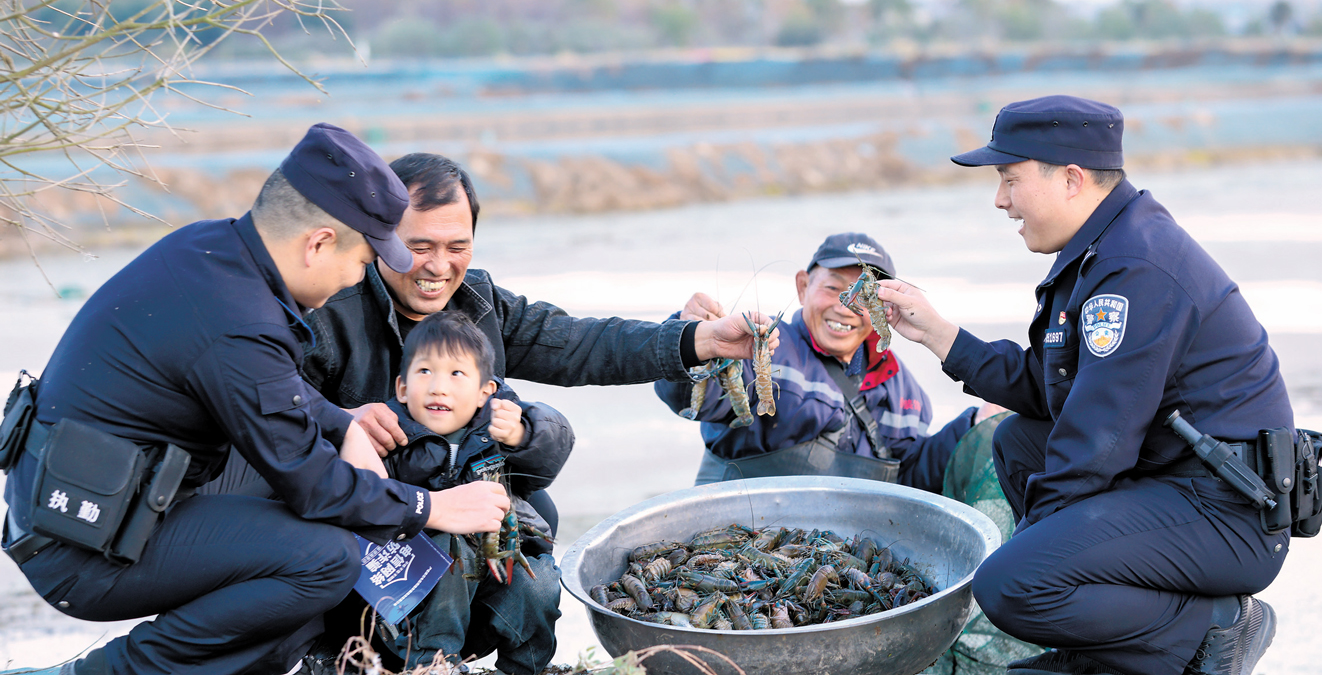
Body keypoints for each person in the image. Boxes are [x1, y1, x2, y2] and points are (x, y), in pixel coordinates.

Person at [0, 124, 511, 675]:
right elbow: (316, 488)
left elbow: (269, 391)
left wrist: (343, 424)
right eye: (362, 263)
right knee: (324, 559)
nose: (355, 278)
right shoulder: (239, 322)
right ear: (318, 243)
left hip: (83, 510)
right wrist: (431, 507)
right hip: (81, 548)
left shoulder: (209, 251)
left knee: (306, 527)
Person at [879, 96, 1292, 675]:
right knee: (1017, 441)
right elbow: (1052, 392)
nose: (1000, 199)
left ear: (1071, 179)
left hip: (1224, 514)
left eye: (1009, 178)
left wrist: (1035, 560)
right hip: (1175, 484)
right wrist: (941, 335)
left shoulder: (1136, 268)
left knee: (1009, 586)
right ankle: (1109, 651)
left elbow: (1097, 438)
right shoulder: (1103, 252)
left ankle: (1213, 626)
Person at [299, 153, 774, 517]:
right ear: (380, 237)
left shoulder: (479, 301)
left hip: (453, 489)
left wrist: (703, 340)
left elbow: (581, 344)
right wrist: (341, 420)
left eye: (457, 246)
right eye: (418, 246)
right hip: (358, 499)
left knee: (536, 509)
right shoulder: (331, 302)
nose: (439, 267)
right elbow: (257, 394)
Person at [654, 233, 994, 492]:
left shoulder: (904, 390)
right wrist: (691, 338)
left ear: (884, 307)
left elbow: (908, 475)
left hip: (840, 555)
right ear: (803, 286)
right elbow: (694, 397)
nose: (846, 307)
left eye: (866, 296)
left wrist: (975, 424)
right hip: (740, 542)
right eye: (833, 288)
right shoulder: (760, 342)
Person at [374, 312, 570, 675]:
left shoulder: (496, 432)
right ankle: (434, 667)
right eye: (425, 372)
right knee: (451, 545)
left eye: (456, 374)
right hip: (411, 608)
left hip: (490, 590)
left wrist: (522, 435)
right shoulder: (388, 437)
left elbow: (550, 457)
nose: (439, 387)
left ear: (485, 392)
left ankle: (528, 668)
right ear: (402, 388)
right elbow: (366, 505)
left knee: (540, 581)